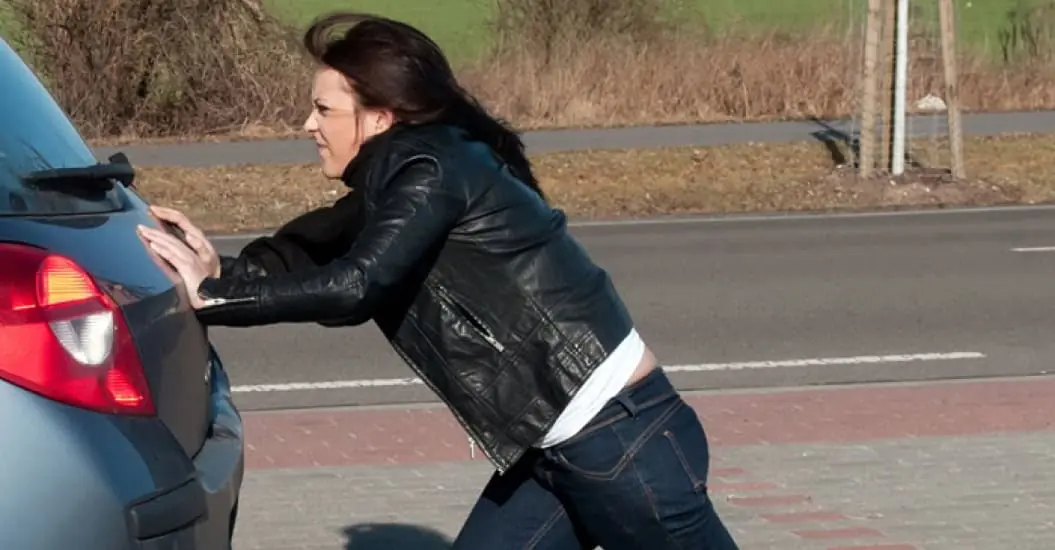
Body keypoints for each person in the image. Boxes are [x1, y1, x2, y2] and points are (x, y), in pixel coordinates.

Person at [138, 12, 740, 550]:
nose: (308, 124)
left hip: (619, 440)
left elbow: (355, 285)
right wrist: (220, 271)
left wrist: (214, 295)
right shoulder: (405, 177)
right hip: (558, 446)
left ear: (378, 117)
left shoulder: (428, 168)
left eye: (324, 110)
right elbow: (314, 249)